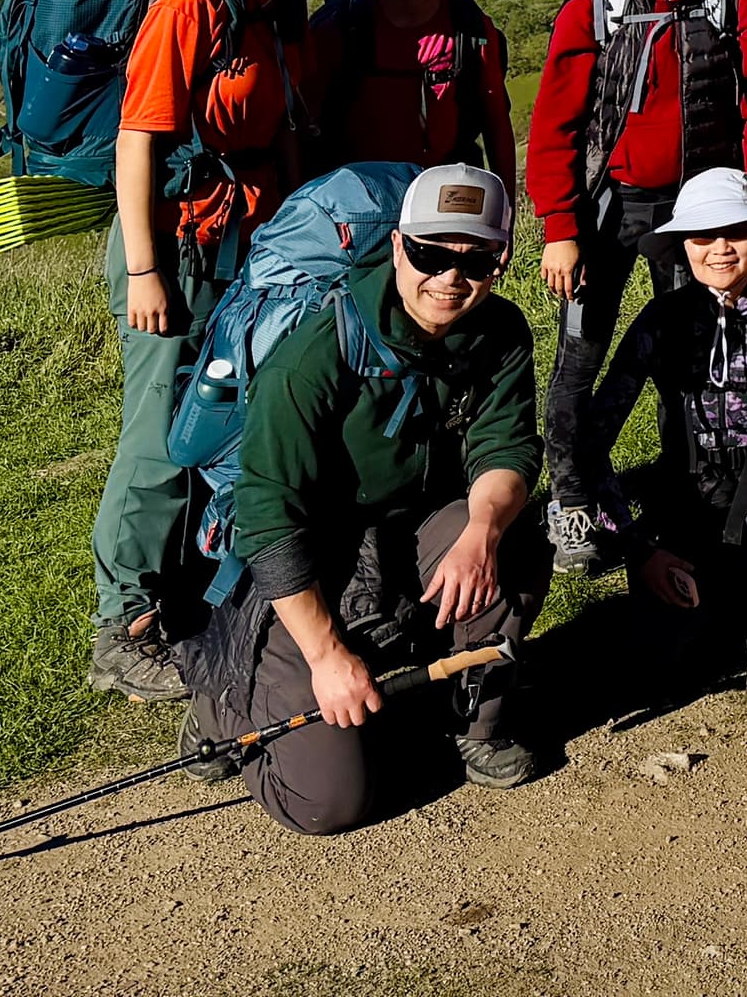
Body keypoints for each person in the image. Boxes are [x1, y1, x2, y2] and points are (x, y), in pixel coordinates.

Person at [187, 161, 549, 829]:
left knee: (516, 540)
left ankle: (474, 723)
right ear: (396, 246)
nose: (450, 278)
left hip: (406, 538)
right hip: (306, 567)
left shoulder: (499, 334)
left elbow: (509, 449)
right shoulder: (314, 356)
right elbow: (267, 520)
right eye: (431, 253)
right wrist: (326, 659)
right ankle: (224, 701)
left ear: (502, 260)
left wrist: (482, 532)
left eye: (478, 260)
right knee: (329, 805)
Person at [91, 0, 346, 702]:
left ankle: (196, 597)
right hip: (178, 247)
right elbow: (139, 139)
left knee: (231, 423)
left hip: (255, 247)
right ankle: (121, 625)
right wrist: (143, 270)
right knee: (160, 433)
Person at [526, 0, 747, 569]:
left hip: (702, 216)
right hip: (608, 210)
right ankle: (573, 501)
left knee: (697, 357)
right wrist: (559, 228)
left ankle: (692, 487)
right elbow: (555, 119)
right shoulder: (596, 0)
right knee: (579, 356)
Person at [569, 167, 747, 705]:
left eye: (736, 233)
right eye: (703, 236)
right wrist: (636, 546)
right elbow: (594, 439)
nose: (720, 249)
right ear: (681, 247)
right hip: (687, 490)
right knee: (669, 660)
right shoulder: (659, 320)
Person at [300, 0, 517, 180]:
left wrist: (505, 212)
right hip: (357, 191)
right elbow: (306, 125)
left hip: (440, 189)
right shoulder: (342, 30)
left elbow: (496, 124)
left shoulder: (471, 28)